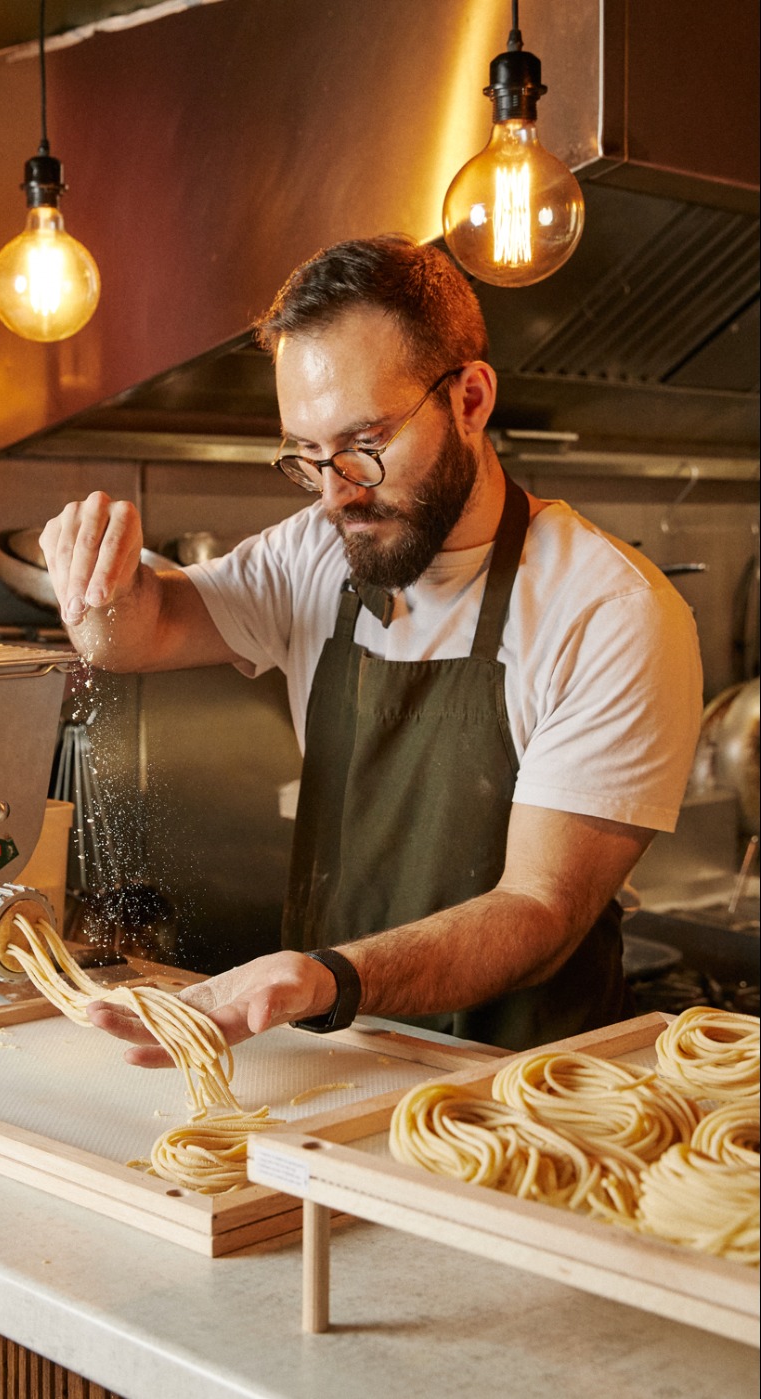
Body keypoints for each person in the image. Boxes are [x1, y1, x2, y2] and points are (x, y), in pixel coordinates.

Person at [39, 234, 703, 1059]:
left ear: (470, 397)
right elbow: (138, 633)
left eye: (365, 443)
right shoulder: (313, 554)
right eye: (307, 457)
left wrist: (325, 980)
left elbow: (540, 911)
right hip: (341, 1063)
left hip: (530, 1098)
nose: (336, 493)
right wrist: (95, 583)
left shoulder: (608, 610)